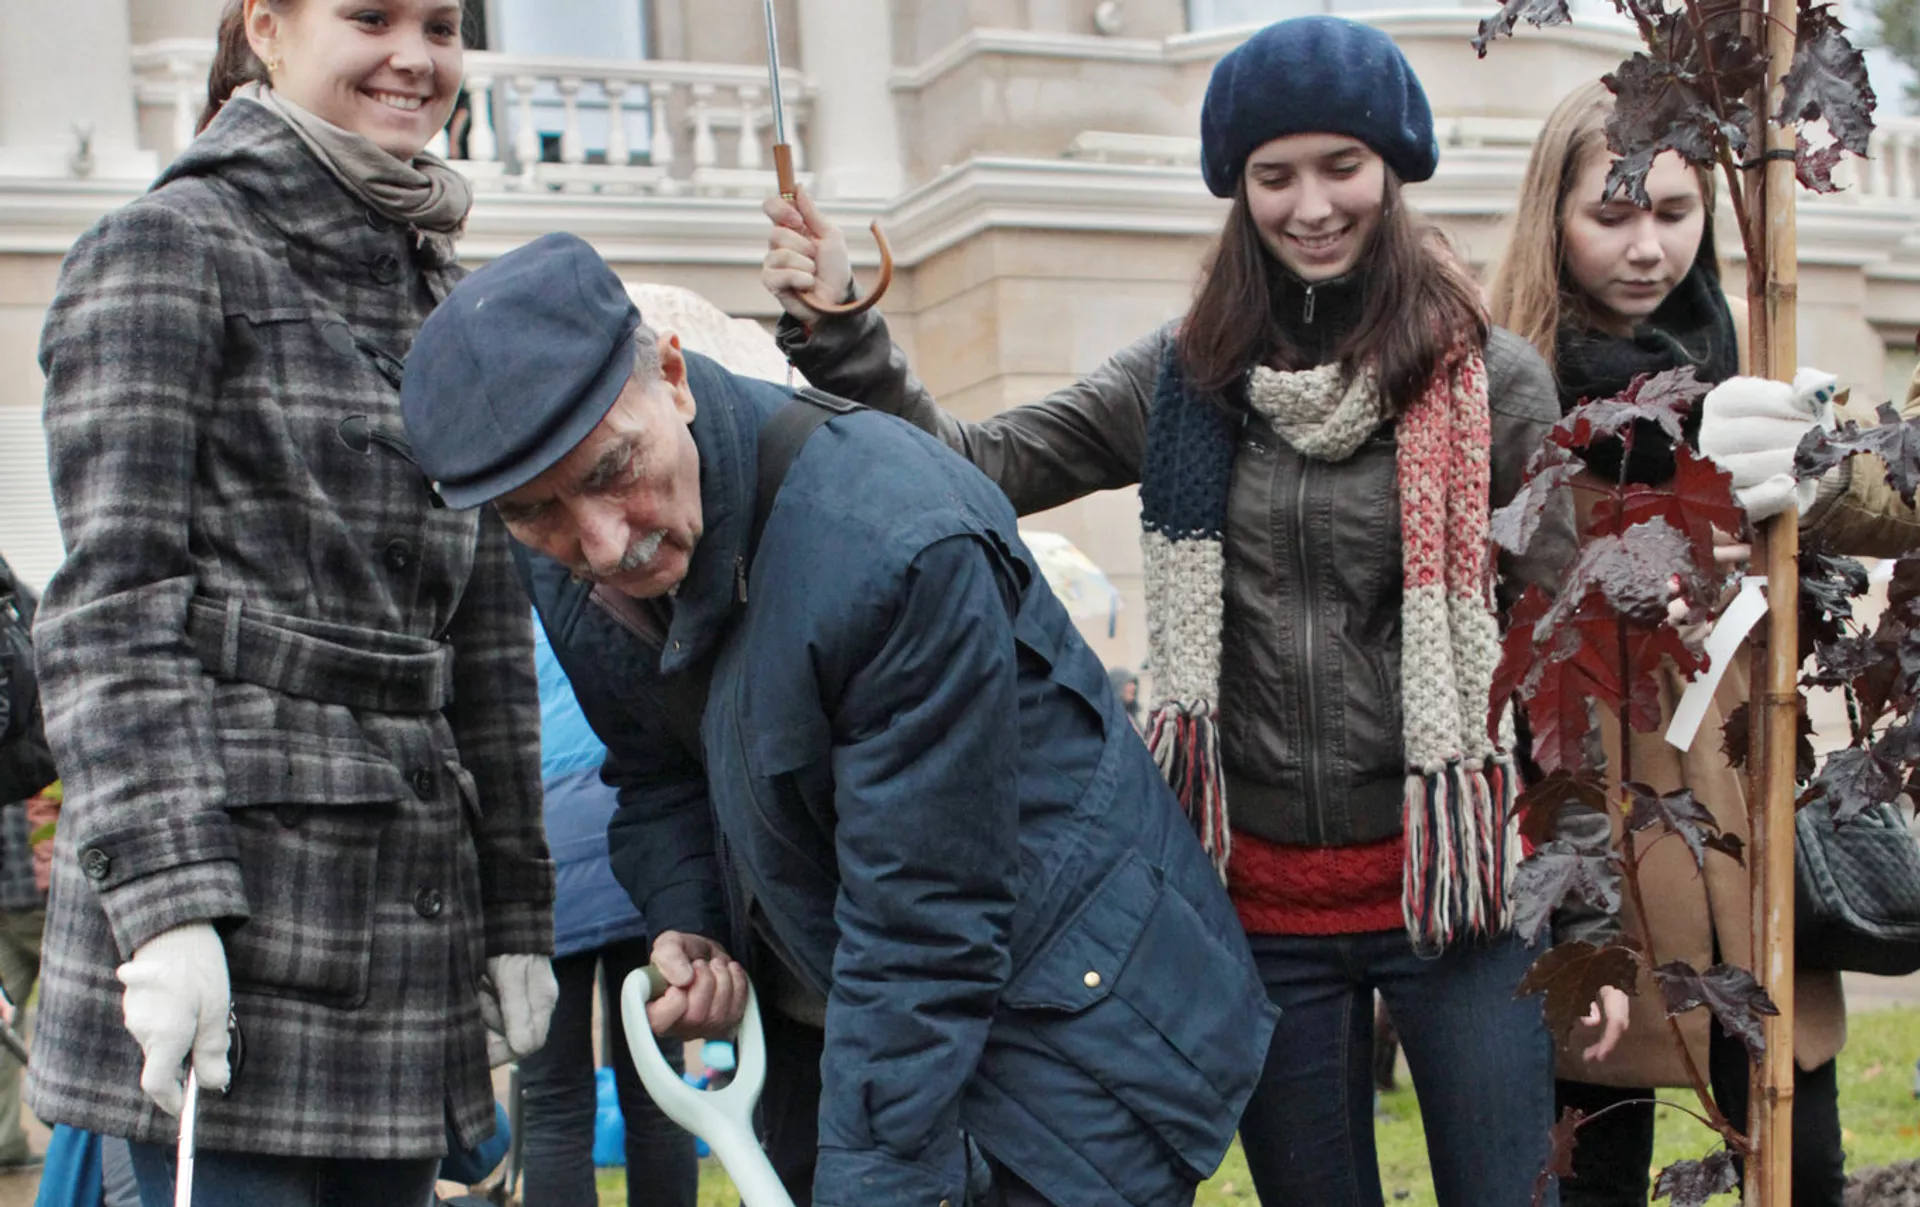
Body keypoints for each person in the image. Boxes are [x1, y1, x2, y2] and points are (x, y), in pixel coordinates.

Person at [758, 17, 1624, 1207]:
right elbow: (977, 463)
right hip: (1260, 916)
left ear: (1392, 170)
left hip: (1458, 899)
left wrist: (1591, 912)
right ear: (1238, 188)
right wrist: (843, 332)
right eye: (1275, 175)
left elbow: (1564, 667)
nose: (1311, 205)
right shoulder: (1182, 377)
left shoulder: (1494, 381)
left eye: (1341, 166)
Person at [398, 231, 1279, 1207]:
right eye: (535, 511)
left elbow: (924, 922)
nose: (602, 544)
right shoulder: (566, 556)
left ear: (674, 380)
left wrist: (875, 1183)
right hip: (850, 1024)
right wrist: (692, 921)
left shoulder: (890, 543)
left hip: (1075, 1035)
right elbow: (658, 768)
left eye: (615, 468)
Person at [29, 2, 556, 1203]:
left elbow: (485, 634)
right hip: (231, 921)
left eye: (442, 25)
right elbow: (111, 610)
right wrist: (164, 902)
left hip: (413, 913)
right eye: (370, 16)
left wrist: (518, 904)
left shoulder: (441, 294)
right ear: (266, 27)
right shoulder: (166, 246)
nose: (415, 56)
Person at [1488, 78, 1920, 1207]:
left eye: (1675, 212)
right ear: (1553, 217)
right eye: (1613, 214)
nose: (1647, 247)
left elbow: (1868, 514)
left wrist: (1791, 514)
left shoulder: (1747, 357)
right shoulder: (1503, 387)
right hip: (1589, 798)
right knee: (1595, 1160)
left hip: (1743, 787)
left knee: (1803, 1158)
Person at [519, 618, 697, 1207]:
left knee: (553, 1103)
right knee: (660, 1091)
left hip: (540, 862)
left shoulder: (506, 615)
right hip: (641, 849)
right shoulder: (609, 600)